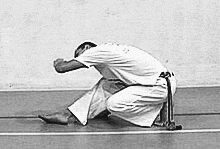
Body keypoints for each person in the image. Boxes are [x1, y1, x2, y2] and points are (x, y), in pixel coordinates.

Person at [38, 42, 176, 127]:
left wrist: (58, 63)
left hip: (161, 86)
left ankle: (158, 108)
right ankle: (69, 115)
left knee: (113, 104)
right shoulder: (109, 54)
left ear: (87, 48)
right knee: (106, 84)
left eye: (80, 56)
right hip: (157, 82)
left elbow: (63, 68)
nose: (83, 60)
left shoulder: (96, 51)